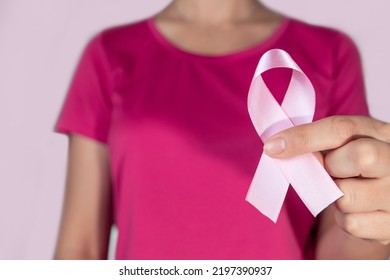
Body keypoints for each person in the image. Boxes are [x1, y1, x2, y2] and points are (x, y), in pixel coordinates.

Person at [54, 0, 390, 259]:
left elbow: (342, 247)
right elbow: (79, 249)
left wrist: (377, 225)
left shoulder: (329, 53)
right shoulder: (110, 54)